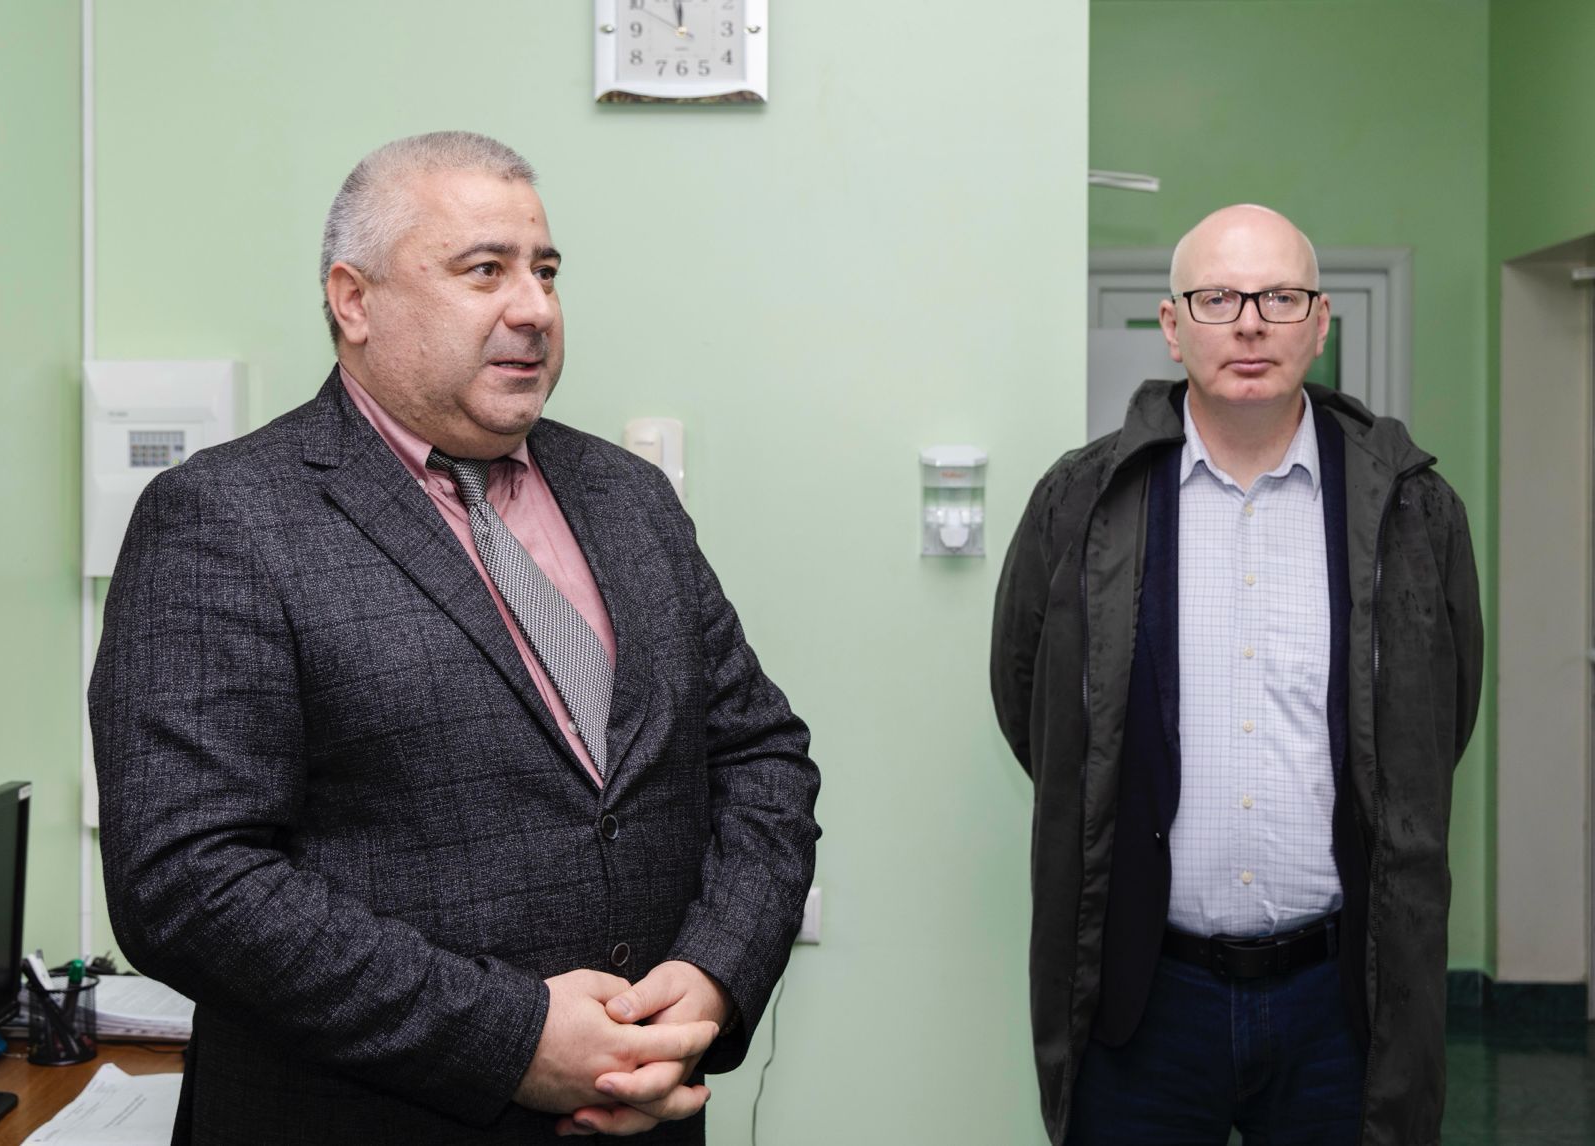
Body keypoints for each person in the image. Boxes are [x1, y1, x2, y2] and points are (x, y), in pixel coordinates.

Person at [90, 131, 820, 1144]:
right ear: (354, 301)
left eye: (545, 272)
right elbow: (188, 882)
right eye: (485, 271)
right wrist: (514, 1038)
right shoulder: (223, 518)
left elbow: (760, 757)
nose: (534, 308)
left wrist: (711, 976)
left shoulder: (630, 498)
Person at [991, 204, 1481, 1146]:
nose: (1250, 323)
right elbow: (1035, 711)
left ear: (1320, 321)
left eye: (1279, 297)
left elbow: (1436, 722)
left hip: (1342, 1004)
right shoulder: (1080, 502)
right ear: (1172, 325)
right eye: (1217, 298)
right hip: (1143, 1003)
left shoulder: (1413, 510)